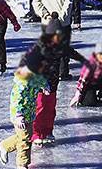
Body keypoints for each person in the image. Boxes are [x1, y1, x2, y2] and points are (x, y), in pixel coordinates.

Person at [29, 17, 87, 145]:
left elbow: (73, 53)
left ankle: (47, 131)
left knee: (50, 110)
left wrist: (85, 62)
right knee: (40, 109)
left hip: (54, 85)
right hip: (40, 87)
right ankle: (36, 134)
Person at [0, 47, 43, 169]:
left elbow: (40, 80)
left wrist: (45, 86)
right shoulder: (23, 81)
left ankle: (3, 146)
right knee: (26, 138)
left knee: (25, 136)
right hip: (20, 115)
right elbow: (16, 100)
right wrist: (19, 116)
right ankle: (22, 166)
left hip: (30, 112)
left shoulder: (36, 75)